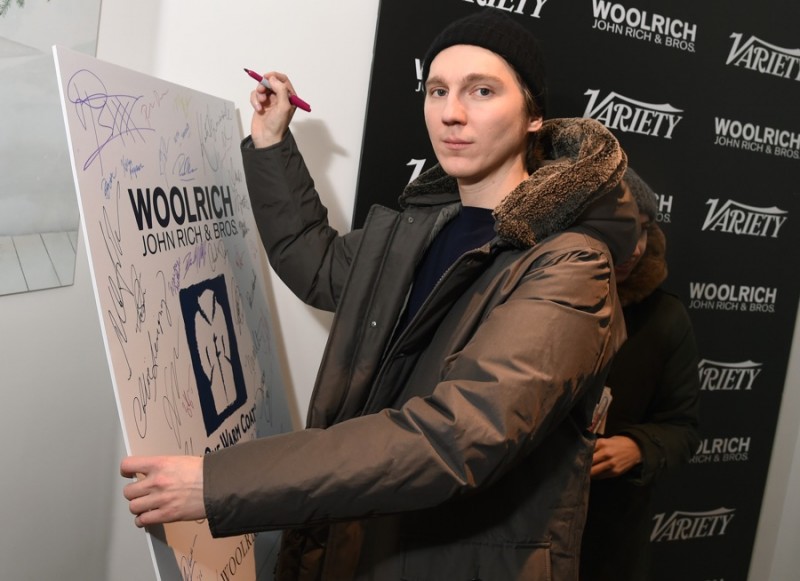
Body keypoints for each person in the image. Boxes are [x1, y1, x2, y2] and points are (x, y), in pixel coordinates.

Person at [121, 11, 638, 580]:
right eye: (437, 90)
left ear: (534, 115)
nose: (451, 113)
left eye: (482, 91)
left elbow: (456, 437)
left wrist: (217, 484)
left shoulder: (570, 263)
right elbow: (317, 264)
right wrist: (271, 144)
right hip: (358, 543)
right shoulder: (423, 226)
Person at [579, 168, 701, 581]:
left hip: (610, 537)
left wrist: (638, 446)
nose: (634, 247)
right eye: (623, 229)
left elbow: (682, 426)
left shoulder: (666, 318)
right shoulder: (536, 301)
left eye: (645, 230)